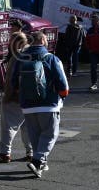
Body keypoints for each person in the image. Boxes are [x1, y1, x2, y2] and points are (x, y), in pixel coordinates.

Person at [14, 31, 69, 178]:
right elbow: (62, 83)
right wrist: (62, 96)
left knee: (35, 135)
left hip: (27, 105)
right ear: (44, 41)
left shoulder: (21, 58)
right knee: (50, 134)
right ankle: (38, 161)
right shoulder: (51, 58)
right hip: (48, 103)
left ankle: (40, 162)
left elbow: (14, 82)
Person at [0, 32, 33, 163]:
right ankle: (30, 152)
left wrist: (8, 94)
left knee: (8, 125)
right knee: (28, 126)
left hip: (15, 97)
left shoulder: (17, 56)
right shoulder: (33, 54)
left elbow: (11, 78)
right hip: (32, 97)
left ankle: (5, 153)